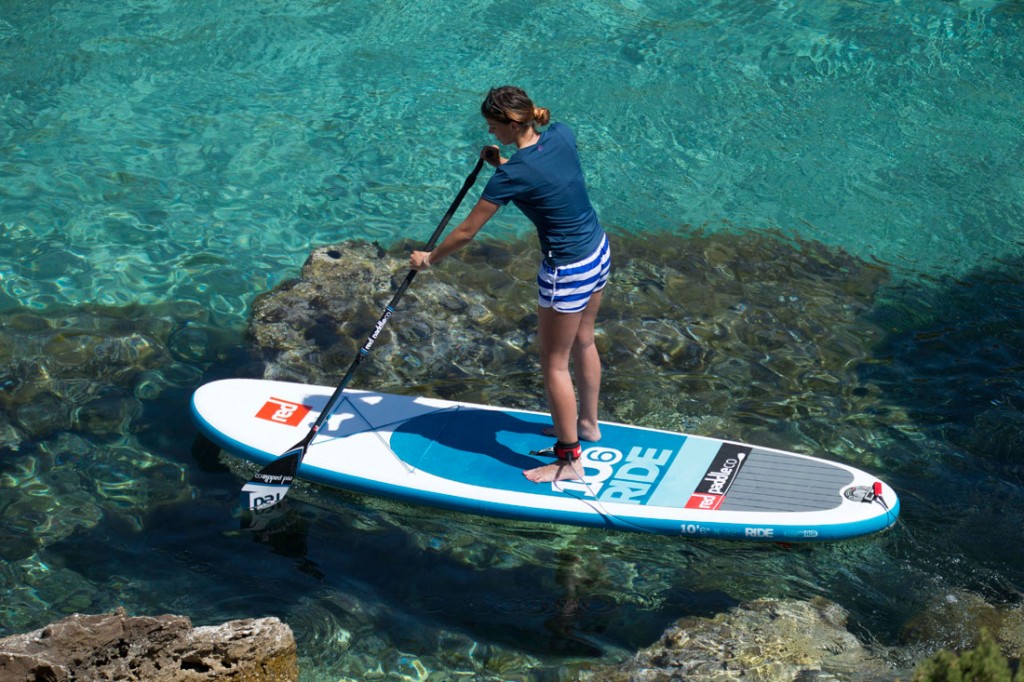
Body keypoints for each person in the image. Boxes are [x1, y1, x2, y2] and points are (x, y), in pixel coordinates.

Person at [410, 85, 611, 483]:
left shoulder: (513, 175)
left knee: (554, 364)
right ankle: (588, 425)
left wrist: (429, 259)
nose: (490, 134)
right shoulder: (561, 134)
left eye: (492, 126)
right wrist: (502, 163)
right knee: (584, 341)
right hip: (598, 251)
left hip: (567, 271)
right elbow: (545, 180)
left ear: (509, 122)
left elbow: (467, 232)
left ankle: (569, 460)